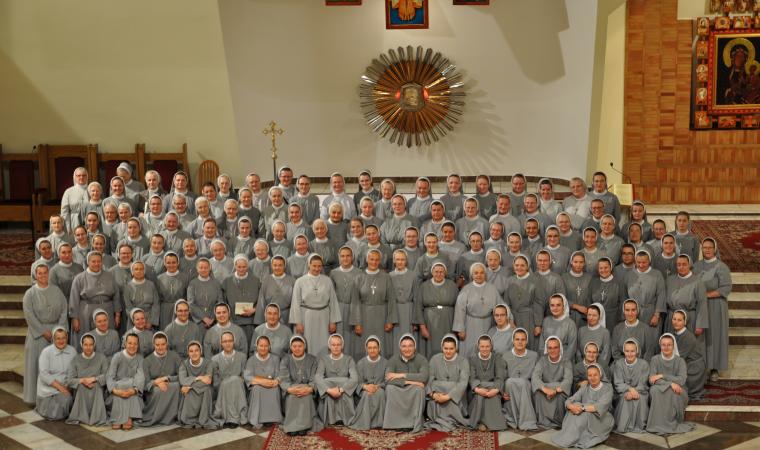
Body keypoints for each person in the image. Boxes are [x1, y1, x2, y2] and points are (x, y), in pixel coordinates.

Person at [23, 265, 68, 404]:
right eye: (40, 273)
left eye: (45, 273)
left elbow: (64, 309)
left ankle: (53, 398)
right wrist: (43, 331)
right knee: (36, 366)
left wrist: (58, 331)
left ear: (48, 274)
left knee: (53, 367)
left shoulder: (56, 290)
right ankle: (35, 398)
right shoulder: (30, 293)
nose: (43, 276)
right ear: (35, 275)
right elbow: (29, 315)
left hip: (56, 334)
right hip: (37, 334)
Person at [693, 237, 732, 382]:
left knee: (715, 336)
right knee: (701, 337)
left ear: (715, 249)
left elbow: (726, 288)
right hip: (700, 306)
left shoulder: (722, 267)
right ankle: (702, 366)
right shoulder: (696, 266)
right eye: (705, 247)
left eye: (710, 247)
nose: (707, 250)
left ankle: (714, 367)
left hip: (716, 305)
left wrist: (706, 295)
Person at [551, 364, 614, 449]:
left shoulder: (608, 388)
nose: (592, 378)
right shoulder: (585, 387)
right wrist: (571, 406)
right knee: (573, 410)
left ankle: (573, 438)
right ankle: (570, 437)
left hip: (602, 418)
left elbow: (600, 406)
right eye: (590, 375)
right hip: (585, 413)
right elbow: (570, 400)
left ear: (600, 375)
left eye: (595, 375)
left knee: (581, 413)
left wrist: (581, 408)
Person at [290, 254, 341, 356]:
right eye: (314, 266)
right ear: (309, 265)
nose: (317, 269)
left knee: (323, 342)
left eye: (319, 266)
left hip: (324, 317)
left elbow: (333, 301)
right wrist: (297, 322)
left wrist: (333, 321)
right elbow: (295, 303)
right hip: (306, 317)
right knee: (307, 341)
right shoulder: (300, 281)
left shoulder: (327, 280)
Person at [350, 249, 397, 360]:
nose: (374, 262)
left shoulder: (386, 277)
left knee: (382, 343)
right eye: (371, 259)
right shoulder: (359, 277)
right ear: (367, 260)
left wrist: (390, 320)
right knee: (364, 343)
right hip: (364, 315)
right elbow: (355, 301)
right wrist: (356, 323)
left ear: (380, 261)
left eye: (376, 260)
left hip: (382, 315)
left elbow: (391, 299)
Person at [69, 251, 122, 346]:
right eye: (93, 261)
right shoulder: (79, 278)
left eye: (99, 261)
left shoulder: (109, 276)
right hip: (86, 311)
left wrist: (117, 314)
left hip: (107, 309)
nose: (96, 264)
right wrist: (74, 318)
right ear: (88, 262)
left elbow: (116, 296)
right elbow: (74, 299)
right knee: (86, 338)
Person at [646, 333, 695, 435]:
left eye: (669, 345)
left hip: (678, 389)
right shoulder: (655, 359)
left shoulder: (680, 361)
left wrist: (662, 375)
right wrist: (670, 384)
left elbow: (681, 380)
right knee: (654, 390)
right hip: (663, 388)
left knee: (674, 393)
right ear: (660, 346)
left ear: (674, 346)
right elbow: (652, 380)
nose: (666, 347)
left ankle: (671, 424)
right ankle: (657, 424)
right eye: (663, 345)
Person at [382, 334, 429, 433]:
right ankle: (394, 424)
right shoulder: (393, 360)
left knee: (419, 389)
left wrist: (401, 375)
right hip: (399, 388)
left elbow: (423, 377)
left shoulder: (422, 359)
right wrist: (410, 382)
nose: (407, 349)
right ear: (400, 348)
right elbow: (388, 379)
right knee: (390, 388)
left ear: (414, 347)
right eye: (404, 346)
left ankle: (413, 423)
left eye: (410, 346)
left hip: (414, 389)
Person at [279, 335, 323, 435]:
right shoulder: (286, 359)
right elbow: (283, 378)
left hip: (307, 388)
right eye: (294, 346)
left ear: (304, 346)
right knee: (292, 397)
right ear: (291, 347)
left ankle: (304, 426)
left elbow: (315, 377)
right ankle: (292, 426)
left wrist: (310, 389)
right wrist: (289, 389)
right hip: (291, 388)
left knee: (306, 396)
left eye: (300, 346)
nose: (297, 349)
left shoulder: (313, 359)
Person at [425, 334, 469, 431]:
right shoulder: (435, 359)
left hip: (455, 397)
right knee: (435, 384)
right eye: (446, 348)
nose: (448, 351)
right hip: (437, 397)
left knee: (442, 385)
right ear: (442, 348)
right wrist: (433, 394)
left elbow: (463, 383)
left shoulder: (463, 361)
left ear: (456, 348)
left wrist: (447, 397)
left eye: (451, 348)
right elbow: (428, 380)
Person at [453, 263, 499, 358]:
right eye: (476, 273)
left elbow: (500, 306)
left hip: (487, 324)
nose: (479, 275)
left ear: (485, 274)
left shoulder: (492, 288)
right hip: (470, 325)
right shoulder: (466, 289)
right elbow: (460, 309)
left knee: (485, 349)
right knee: (469, 351)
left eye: (482, 273)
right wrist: (460, 329)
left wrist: (510, 319)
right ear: (472, 275)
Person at [65, 333, 109, 425]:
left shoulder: (102, 357)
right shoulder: (75, 359)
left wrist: (94, 379)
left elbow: (107, 376)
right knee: (82, 387)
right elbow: (69, 380)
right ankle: (81, 417)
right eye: (86, 345)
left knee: (96, 386)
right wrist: (82, 381)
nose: (88, 347)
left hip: (97, 386)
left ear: (94, 345)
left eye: (91, 345)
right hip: (80, 388)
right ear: (82, 345)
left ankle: (97, 418)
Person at [315, 334, 358, 426]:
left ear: (342, 346)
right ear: (329, 346)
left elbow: (354, 378)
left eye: (338, 345)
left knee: (347, 385)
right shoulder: (323, 359)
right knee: (326, 383)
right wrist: (329, 390)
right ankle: (330, 419)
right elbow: (318, 377)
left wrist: (340, 390)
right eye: (333, 345)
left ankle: (344, 418)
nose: (336, 347)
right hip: (329, 390)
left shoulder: (349, 359)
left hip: (343, 390)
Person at [141, 332, 182, 426]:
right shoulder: (147, 361)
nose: (160, 347)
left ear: (167, 344)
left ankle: (171, 416)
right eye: (157, 345)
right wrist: (156, 382)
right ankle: (158, 416)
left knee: (176, 386)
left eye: (163, 344)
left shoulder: (174, 356)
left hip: (170, 384)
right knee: (158, 390)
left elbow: (182, 375)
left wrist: (167, 378)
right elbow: (145, 384)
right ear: (153, 345)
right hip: (154, 391)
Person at [532, 336, 573, 429]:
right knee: (538, 392)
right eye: (550, 348)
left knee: (561, 394)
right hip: (545, 390)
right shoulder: (542, 360)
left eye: (555, 347)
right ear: (547, 349)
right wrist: (545, 390)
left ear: (560, 348)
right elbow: (535, 376)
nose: (553, 350)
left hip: (559, 389)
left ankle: (558, 421)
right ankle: (543, 421)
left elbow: (568, 379)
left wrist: (554, 391)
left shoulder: (566, 361)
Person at [468, 335, 507, 431]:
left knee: (493, 396)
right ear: (478, 347)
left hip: (493, 388)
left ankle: (491, 424)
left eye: (487, 346)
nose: (484, 349)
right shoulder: (472, 359)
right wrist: (477, 389)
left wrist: (496, 390)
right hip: (477, 389)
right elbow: (471, 377)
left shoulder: (497, 357)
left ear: (491, 346)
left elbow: (500, 376)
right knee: (479, 396)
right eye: (482, 346)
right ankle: (480, 422)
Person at [35, 327, 75, 420]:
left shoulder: (72, 351)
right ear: (53, 339)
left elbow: (74, 371)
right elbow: (44, 374)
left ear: (67, 338)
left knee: (69, 398)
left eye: (63, 338)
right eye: (58, 338)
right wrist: (60, 387)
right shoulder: (46, 352)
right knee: (63, 403)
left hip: (66, 386)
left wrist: (68, 386)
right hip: (49, 390)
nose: (61, 341)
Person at [502, 328, 538, 430]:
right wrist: (502, 392)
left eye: (523, 339)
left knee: (523, 383)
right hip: (510, 387)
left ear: (526, 341)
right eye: (517, 339)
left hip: (527, 386)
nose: (520, 342)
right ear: (513, 341)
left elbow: (536, 376)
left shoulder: (534, 355)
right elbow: (502, 376)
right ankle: (512, 419)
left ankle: (525, 421)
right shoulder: (505, 356)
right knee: (509, 382)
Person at [349, 335, 387, 430]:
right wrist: (366, 387)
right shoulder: (360, 363)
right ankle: (366, 423)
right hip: (365, 390)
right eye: (370, 348)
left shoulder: (386, 363)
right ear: (366, 349)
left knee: (380, 393)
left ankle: (380, 422)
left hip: (380, 388)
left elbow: (387, 381)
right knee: (367, 394)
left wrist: (377, 386)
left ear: (379, 348)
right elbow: (357, 382)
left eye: (375, 347)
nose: (372, 350)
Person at [504, 255, 543, 350]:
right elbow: (506, 303)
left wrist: (538, 324)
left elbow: (538, 303)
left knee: (528, 344)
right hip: (513, 318)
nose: (519, 268)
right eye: (517, 265)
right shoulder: (510, 280)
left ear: (527, 266)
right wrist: (510, 320)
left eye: (522, 265)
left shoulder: (535, 280)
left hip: (529, 319)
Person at [107, 333, 145, 430]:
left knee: (130, 384)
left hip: (132, 391)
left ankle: (127, 418)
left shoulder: (140, 358)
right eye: (130, 343)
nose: (132, 346)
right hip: (117, 391)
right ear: (125, 344)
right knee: (122, 385)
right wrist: (115, 391)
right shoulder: (117, 356)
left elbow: (140, 377)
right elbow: (110, 376)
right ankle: (122, 417)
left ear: (138, 345)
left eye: (135, 344)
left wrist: (134, 390)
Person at [612, 338, 649, 433]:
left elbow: (643, 383)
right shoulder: (619, 364)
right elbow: (618, 383)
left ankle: (639, 425)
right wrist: (629, 389)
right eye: (627, 351)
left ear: (637, 351)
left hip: (640, 392)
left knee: (639, 398)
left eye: (632, 351)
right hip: (624, 392)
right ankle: (624, 425)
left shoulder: (644, 364)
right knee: (625, 398)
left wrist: (634, 391)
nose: (630, 354)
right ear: (624, 351)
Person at [212, 331, 248, 427]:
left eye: (230, 341)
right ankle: (232, 418)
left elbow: (244, 376)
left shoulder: (242, 357)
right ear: (221, 343)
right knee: (229, 384)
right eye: (225, 341)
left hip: (238, 387)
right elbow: (215, 381)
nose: (228, 343)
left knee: (236, 380)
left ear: (233, 342)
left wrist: (235, 380)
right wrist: (228, 382)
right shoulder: (215, 359)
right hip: (222, 388)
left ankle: (232, 418)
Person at [245, 335, 283, 428]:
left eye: (266, 346)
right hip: (258, 385)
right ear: (257, 346)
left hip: (272, 384)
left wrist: (276, 381)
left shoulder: (275, 359)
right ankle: (258, 419)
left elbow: (280, 374)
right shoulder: (251, 360)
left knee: (275, 389)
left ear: (269, 346)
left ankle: (272, 418)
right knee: (257, 389)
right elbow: (248, 376)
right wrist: (262, 382)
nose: (263, 348)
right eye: (261, 345)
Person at [665, 255, 708, 335]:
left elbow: (702, 304)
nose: (681, 267)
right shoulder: (670, 280)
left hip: (690, 319)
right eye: (679, 265)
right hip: (672, 318)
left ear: (689, 265)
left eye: (684, 264)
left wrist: (700, 325)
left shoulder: (698, 282)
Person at [222, 254, 260, 345]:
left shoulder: (256, 280)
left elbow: (261, 299)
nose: (241, 269)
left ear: (247, 266)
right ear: (235, 266)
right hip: (233, 320)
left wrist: (254, 309)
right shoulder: (227, 281)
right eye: (239, 267)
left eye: (244, 267)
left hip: (250, 321)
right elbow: (223, 300)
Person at [178, 341, 216, 429]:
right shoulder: (184, 364)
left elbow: (208, 381)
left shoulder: (208, 363)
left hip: (205, 390)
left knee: (204, 389)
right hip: (197, 388)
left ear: (200, 351)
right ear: (188, 353)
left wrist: (189, 386)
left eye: (196, 350)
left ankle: (203, 418)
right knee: (189, 391)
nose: (194, 353)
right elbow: (182, 380)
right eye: (191, 351)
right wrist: (198, 378)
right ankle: (189, 419)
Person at [672, 310, 707, 400]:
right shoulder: (675, 333)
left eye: (679, 320)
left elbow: (679, 358)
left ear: (685, 322)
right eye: (674, 319)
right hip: (685, 363)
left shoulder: (688, 337)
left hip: (694, 368)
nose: (676, 322)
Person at [390, 249, 420, 349]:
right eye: (397, 259)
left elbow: (416, 298)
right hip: (394, 311)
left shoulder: (413, 276)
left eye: (402, 259)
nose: (400, 262)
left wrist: (415, 320)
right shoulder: (389, 276)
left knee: (409, 339)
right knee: (395, 340)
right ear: (394, 260)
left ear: (406, 261)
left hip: (409, 311)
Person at [254, 255, 294, 325]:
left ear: (284, 266)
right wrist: (259, 321)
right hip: (270, 317)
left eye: (280, 265)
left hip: (286, 316)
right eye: (275, 265)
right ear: (271, 266)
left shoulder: (292, 281)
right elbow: (262, 301)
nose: (277, 268)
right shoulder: (266, 280)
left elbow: (295, 303)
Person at [187, 258, 224, 334]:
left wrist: (213, 317)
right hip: (198, 320)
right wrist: (204, 318)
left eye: (206, 267)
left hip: (214, 320)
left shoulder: (216, 283)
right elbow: (191, 304)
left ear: (210, 268)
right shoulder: (192, 284)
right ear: (197, 269)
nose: (203, 270)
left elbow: (220, 301)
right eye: (201, 267)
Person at [589, 258, 625, 332]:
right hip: (595, 318)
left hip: (613, 318)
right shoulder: (593, 282)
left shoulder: (618, 283)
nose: (603, 270)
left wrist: (619, 319)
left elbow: (622, 302)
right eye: (601, 268)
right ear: (598, 269)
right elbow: (588, 300)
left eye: (606, 267)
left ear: (610, 268)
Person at [539, 294, 577, 362]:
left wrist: (560, 362)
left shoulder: (570, 324)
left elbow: (572, 348)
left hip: (564, 361)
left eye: (558, 305)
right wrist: (545, 360)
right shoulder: (546, 321)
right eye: (552, 305)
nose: (555, 308)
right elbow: (542, 344)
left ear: (563, 306)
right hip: (547, 361)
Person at [123, 261, 160, 330]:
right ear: (132, 272)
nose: (139, 271)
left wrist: (151, 322)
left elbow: (156, 304)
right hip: (134, 320)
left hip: (149, 319)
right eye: (136, 269)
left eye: (141, 269)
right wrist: (137, 320)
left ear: (144, 271)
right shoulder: (128, 287)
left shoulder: (151, 285)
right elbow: (128, 306)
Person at [156, 252, 190, 329]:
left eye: (174, 262)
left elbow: (187, 296)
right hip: (165, 310)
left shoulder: (185, 278)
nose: (171, 265)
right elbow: (157, 298)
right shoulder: (159, 278)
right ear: (164, 264)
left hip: (181, 310)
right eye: (168, 263)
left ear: (178, 263)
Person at [563, 251, 593, 327]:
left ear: (584, 263)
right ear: (571, 262)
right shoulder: (564, 277)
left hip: (585, 316)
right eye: (575, 262)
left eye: (581, 262)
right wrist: (576, 306)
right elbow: (561, 298)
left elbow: (591, 297)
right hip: (568, 315)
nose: (578, 265)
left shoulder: (589, 278)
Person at [61, 167, 89, 232]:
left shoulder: (92, 190)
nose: (81, 177)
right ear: (75, 177)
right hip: (74, 221)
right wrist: (67, 227)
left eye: (84, 175)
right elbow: (64, 211)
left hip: (90, 222)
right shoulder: (68, 191)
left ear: (87, 177)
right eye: (79, 175)